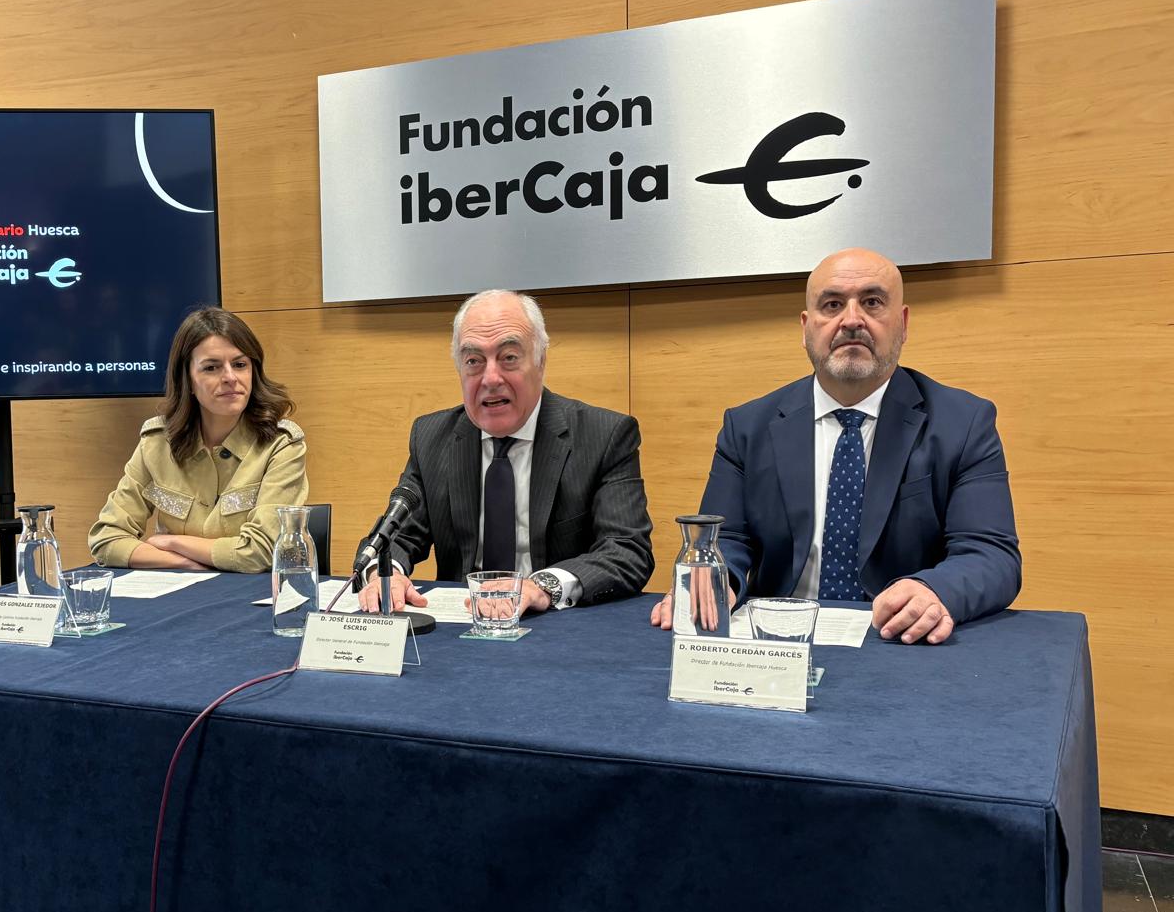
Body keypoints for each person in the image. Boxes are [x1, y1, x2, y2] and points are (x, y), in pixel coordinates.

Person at [651, 248, 1020, 644]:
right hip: (775, 642)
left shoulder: (963, 422)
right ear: (807, 328)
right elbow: (727, 539)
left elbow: (990, 553)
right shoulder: (747, 426)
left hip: (898, 640)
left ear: (903, 323)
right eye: (832, 305)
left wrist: (934, 591)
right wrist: (717, 582)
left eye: (873, 302)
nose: (851, 320)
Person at [357, 289, 653, 613]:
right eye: (474, 361)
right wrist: (386, 576)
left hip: (558, 629)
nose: (491, 378)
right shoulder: (432, 438)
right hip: (464, 628)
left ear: (540, 361)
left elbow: (627, 549)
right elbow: (394, 537)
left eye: (509, 357)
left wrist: (542, 587)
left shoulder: (603, 435)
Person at [88, 307, 306, 571]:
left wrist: (173, 542)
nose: (230, 378)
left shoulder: (281, 444)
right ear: (188, 380)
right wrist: (186, 563)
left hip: (253, 599)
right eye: (211, 367)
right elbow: (106, 539)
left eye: (240, 364)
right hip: (179, 598)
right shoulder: (157, 443)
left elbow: (262, 552)